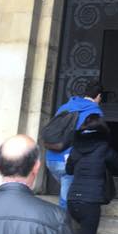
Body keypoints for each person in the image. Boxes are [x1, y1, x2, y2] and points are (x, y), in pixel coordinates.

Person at [46, 79, 104, 208]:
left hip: (52, 158)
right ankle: (64, 220)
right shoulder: (95, 111)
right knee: (67, 200)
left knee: (68, 191)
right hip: (70, 162)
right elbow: (91, 142)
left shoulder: (65, 107)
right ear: (99, 96)